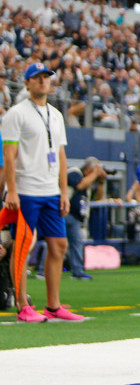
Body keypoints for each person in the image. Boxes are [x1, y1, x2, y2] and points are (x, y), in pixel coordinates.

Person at [1, 62, 84, 322]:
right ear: (27, 83)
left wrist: (63, 191)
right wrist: (11, 191)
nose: (43, 81)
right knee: (23, 247)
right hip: (26, 191)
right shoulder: (16, 114)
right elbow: (9, 157)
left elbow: (60, 155)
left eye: (46, 77)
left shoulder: (56, 115)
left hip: (50, 190)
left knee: (59, 245)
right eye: (37, 78)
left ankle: (53, 305)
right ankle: (23, 305)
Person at [65, 156, 107, 281]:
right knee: (55, 242)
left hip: (75, 217)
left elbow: (99, 197)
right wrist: (95, 173)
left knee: (77, 242)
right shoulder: (74, 172)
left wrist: (100, 182)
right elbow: (79, 186)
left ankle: (77, 271)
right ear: (88, 169)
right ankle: (42, 270)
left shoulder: (88, 181)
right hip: (63, 213)